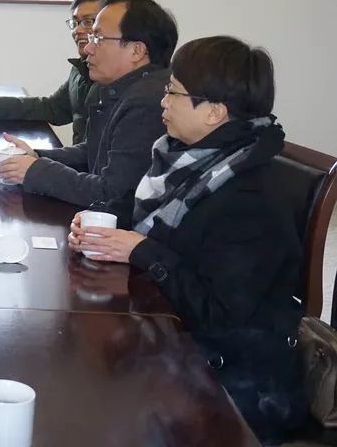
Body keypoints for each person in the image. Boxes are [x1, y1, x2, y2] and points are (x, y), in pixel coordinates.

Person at [67, 36, 305, 443]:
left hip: (235, 382)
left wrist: (141, 250)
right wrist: (101, 219)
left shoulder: (249, 197)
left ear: (214, 112)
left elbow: (220, 316)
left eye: (173, 92)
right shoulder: (187, 158)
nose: (163, 101)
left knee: (93, 408)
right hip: (181, 340)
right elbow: (142, 211)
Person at [0, 0, 177, 222]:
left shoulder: (147, 102)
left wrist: (35, 171)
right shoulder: (123, 88)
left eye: (98, 38)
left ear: (136, 51)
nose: (88, 48)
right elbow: (94, 150)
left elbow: (112, 195)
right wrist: (35, 156)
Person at [0, 0, 117, 144]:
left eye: (87, 22)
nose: (77, 30)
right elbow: (51, 108)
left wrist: (39, 157)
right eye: (75, 22)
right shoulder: (80, 70)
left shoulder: (117, 79)